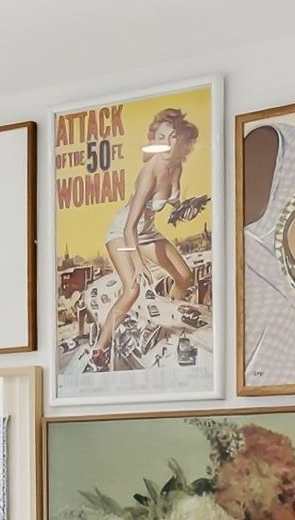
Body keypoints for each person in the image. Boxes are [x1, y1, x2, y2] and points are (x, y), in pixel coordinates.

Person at [87, 107, 206, 366]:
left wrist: (186, 209)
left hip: (146, 233)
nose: (167, 143)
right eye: (161, 137)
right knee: (132, 288)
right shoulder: (149, 173)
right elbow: (129, 227)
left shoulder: (176, 167)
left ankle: (161, 325)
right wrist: (138, 263)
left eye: (172, 137)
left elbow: (172, 205)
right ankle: (99, 348)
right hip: (122, 232)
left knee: (184, 276)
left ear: (180, 140)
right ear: (153, 139)